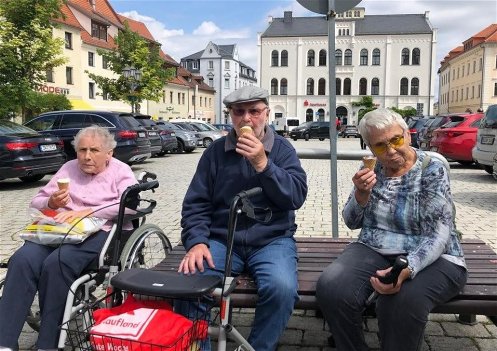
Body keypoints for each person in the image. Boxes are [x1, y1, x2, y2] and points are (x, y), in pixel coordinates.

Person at [316, 108, 467, 351]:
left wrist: (409, 267)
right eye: (379, 146)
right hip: (374, 246)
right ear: (369, 147)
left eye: (396, 140)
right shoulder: (372, 167)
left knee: (399, 301)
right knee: (332, 288)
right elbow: (351, 221)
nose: (390, 150)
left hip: (433, 254)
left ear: (407, 135)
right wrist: (361, 194)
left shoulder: (431, 167)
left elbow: (439, 233)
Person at [178, 86, 308, 351]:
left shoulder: (282, 150)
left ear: (267, 114)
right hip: (222, 239)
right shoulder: (215, 153)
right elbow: (196, 203)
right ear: (231, 116)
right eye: (239, 112)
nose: (247, 118)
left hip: (272, 239)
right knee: (189, 286)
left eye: (254, 111)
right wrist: (196, 242)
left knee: (281, 290)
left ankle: (258, 347)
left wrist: (263, 164)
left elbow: (295, 196)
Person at [0, 126, 137, 351]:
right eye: (82, 150)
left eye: (94, 150)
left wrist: (90, 212)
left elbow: (130, 206)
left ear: (109, 153)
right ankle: (4, 342)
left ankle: (48, 343)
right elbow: (37, 201)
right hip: (60, 230)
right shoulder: (68, 168)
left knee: (57, 264)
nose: (87, 156)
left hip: (100, 232)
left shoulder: (120, 171)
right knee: (22, 260)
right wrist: (51, 203)